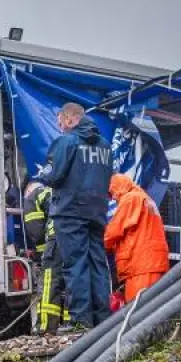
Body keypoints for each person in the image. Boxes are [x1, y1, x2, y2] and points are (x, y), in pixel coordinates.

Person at [33, 103, 112, 329]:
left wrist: (38, 179)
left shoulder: (66, 142)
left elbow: (52, 175)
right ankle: (103, 320)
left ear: (69, 119)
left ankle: (81, 320)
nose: (60, 127)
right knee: (98, 264)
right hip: (97, 213)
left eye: (60, 122)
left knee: (75, 265)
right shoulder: (105, 146)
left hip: (69, 212)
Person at [104, 173, 170, 304]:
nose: (113, 199)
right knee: (153, 308)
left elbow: (113, 232)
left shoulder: (130, 199)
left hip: (141, 266)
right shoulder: (144, 198)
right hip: (152, 263)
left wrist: (94, 244)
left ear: (116, 188)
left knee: (139, 312)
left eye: (112, 194)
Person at [22, 181, 69, 334]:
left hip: (55, 238)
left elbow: (35, 231)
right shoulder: (54, 192)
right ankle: (71, 322)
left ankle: (47, 326)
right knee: (70, 279)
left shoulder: (32, 197)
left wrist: (41, 254)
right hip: (73, 235)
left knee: (49, 280)